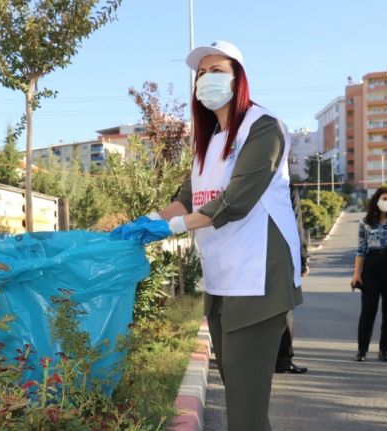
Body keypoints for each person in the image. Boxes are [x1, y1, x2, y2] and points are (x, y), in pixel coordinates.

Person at [112, 40, 302, 431]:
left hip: (259, 278)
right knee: (240, 400)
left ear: (239, 79)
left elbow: (236, 202)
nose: (206, 79)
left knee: (245, 411)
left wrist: (173, 227)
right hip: (222, 280)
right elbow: (186, 199)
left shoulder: (264, 128)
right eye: (201, 73)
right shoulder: (208, 140)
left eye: (217, 70)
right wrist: (146, 222)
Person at [350, 186, 387, 362]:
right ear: (377, 199)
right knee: (368, 310)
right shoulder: (365, 222)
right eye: (385, 198)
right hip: (371, 268)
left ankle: (384, 350)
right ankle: (362, 350)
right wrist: (356, 274)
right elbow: (361, 249)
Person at [275, 184, 309, 374]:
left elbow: (297, 224)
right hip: (281, 255)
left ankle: (279, 360)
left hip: (251, 255)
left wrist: (302, 258)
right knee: (283, 308)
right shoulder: (286, 188)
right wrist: (302, 259)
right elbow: (296, 224)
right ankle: (282, 361)